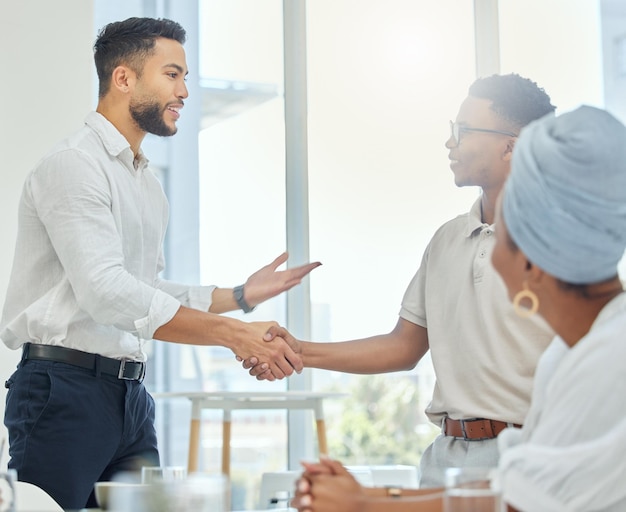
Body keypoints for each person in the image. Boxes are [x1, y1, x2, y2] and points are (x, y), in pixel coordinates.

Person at [0, 17, 320, 510]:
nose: (185, 91)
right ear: (123, 78)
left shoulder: (146, 184)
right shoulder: (73, 165)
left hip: (130, 399)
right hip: (60, 394)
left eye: (186, 77)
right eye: (172, 74)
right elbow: (105, 292)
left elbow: (143, 289)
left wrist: (238, 297)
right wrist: (231, 334)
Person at [290, 105, 626, 511]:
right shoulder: (575, 355)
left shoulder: (609, 362)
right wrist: (367, 496)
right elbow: (512, 487)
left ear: (531, 256)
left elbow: (517, 503)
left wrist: (366, 504)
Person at [244, 73, 556, 486]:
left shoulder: (558, 240)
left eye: (462, 131)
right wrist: (300, 351)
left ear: (510, 146)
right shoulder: (447, 239)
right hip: (445, 459)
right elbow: (404, 346)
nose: (450, 143)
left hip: (530, 457)